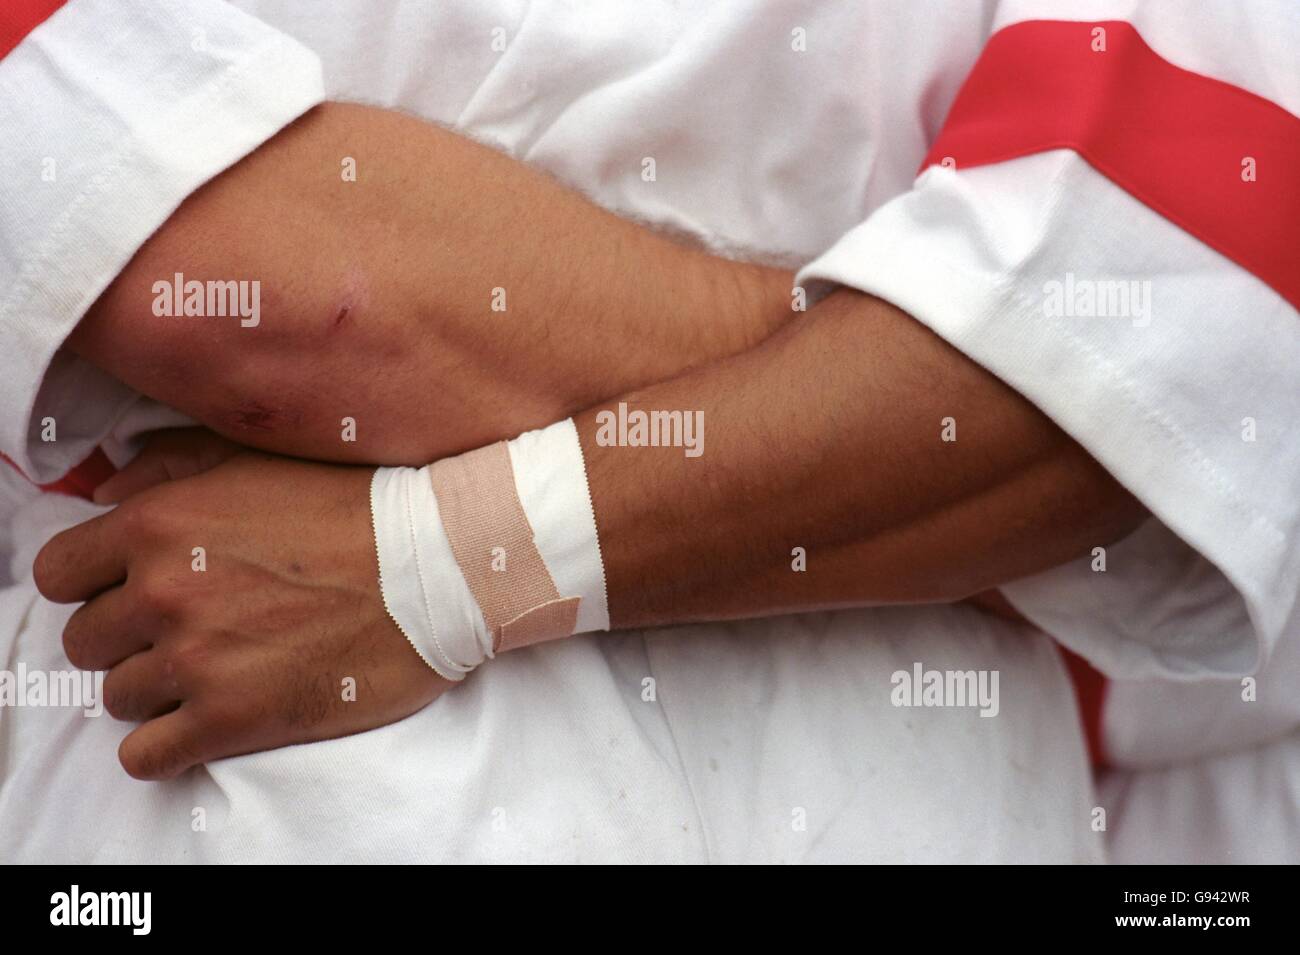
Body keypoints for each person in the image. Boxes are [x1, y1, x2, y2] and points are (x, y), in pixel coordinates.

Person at [1, 0, 1294, 863]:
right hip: (290, 788)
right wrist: (913, 378)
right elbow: (276, 300)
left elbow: (1148, 357)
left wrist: (434, 565)